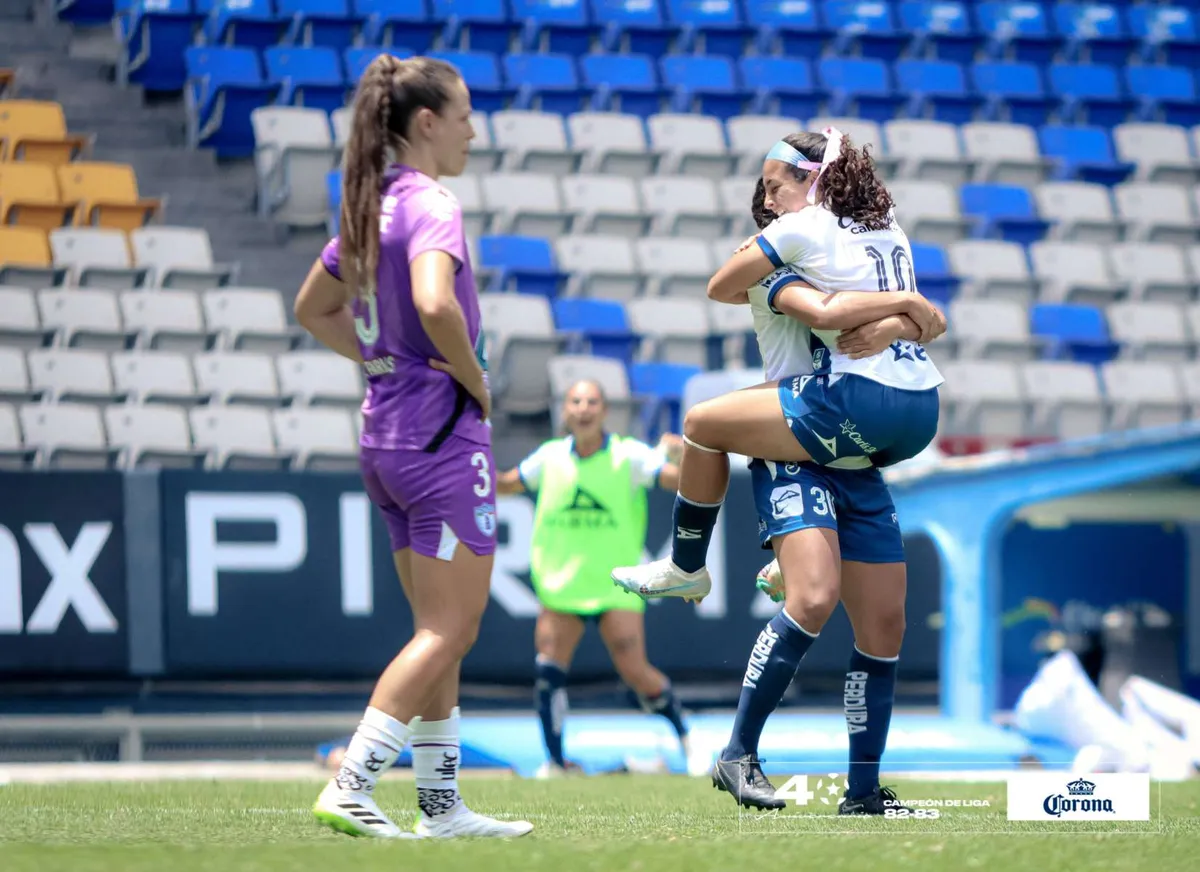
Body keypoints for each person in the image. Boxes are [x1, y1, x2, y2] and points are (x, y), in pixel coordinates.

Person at [612, 129, 946, 815]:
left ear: (811, 183)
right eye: (764, 197)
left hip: (847, 447)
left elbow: (897, 311)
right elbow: (824, 312)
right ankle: (736, 747)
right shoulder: (783, 259)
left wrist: (903, 319)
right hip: (797, 433)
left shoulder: (850, 245)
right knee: (814, 597)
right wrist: (908, 308)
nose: (769, 203)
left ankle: (862, 793)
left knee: (885, 628)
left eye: (775, 187)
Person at [294, 54, 531, 840]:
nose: (472, 128)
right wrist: (474, 377)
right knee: (448, 631)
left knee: (440, 629)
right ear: (426, 123)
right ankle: (354, 781)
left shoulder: (371, 204)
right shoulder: (432, 202)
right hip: (439, 437)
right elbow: (435, 301)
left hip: (385, 437)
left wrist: (376, 359)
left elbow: (312, 307)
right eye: (463, 113)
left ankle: (440, 807)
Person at [495, 379, 694, 777]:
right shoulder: (548, 458)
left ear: (604, 411)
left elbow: (681, 481)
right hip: (561, 588)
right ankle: (555, 763)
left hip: (616, 586)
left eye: (592, 401)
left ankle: (688, 741)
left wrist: (686, 455)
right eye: (576, 401)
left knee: (636, 672)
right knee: (549, 672)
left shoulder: (629, 456)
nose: (583, 408)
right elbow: (503, 485)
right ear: (565, 411)